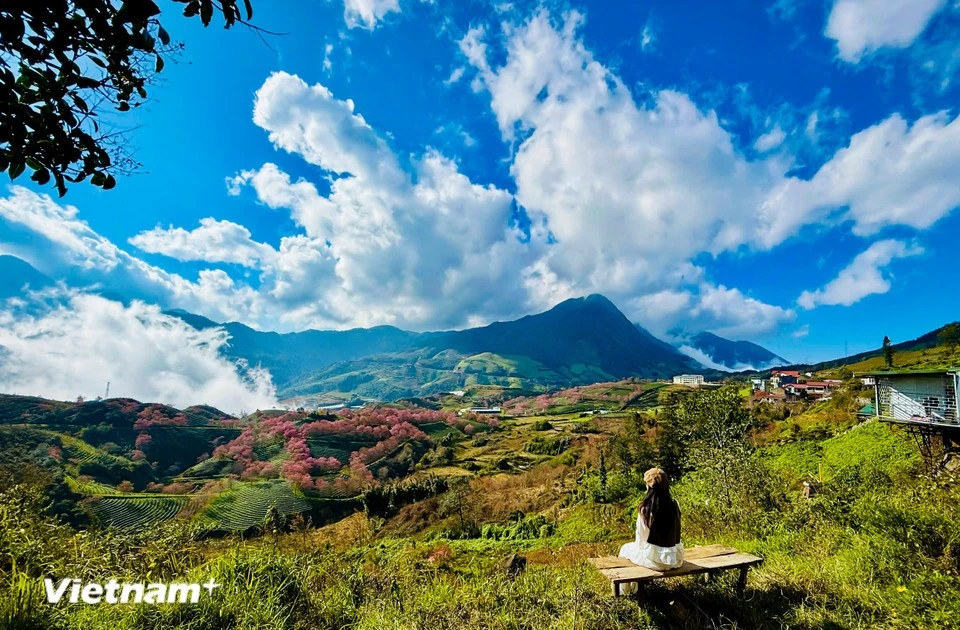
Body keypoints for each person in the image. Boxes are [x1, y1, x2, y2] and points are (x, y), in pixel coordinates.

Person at [619, 467, 684, 571]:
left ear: (649, 487)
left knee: (625, 549)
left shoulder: (646, 509)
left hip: (654, 561)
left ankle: (629, 581)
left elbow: (641, 540)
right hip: (675, 560)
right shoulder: (675, 504)